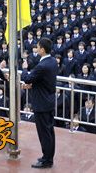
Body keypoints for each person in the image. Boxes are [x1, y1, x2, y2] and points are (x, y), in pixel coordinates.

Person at [21, 37, 58, 169]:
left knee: (44, 132)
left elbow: (27, 78)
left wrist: (25, 68)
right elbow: (42, 80)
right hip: (48, 100)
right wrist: (33, 85)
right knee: (49, 131)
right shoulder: (52, 61)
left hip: (41, 103)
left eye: (37, 47)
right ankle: (48, 156)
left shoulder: (42, 65)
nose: (36, 49)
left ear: (42, 49)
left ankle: (47, 159)